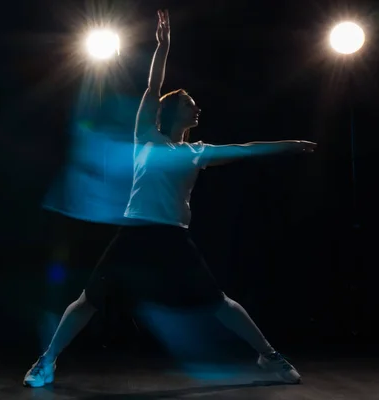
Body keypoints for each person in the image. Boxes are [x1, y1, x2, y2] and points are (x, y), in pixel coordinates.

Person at [24, 9, 315, 388]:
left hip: (173, 238)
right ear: (174, 109)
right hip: (133, 234)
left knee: (218, 303)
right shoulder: (145, 137)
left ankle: (269, 356)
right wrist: (163, 48)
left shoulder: (197, 152)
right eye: (191, 102)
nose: (198, 107)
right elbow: (152, 88)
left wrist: (289, 145)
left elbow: (247, 149)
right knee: (87, 301)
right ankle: (46, 362)